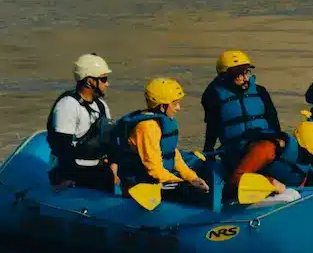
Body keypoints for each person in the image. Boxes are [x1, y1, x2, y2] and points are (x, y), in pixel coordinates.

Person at [110, 77, 211, 203]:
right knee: (190, 192)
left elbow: (173, 155)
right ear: (162, 106)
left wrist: (192, 178)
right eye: (175, 103)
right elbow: (153, 169)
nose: (178, 108)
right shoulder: (147, 127)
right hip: (141, 181)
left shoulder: (162, 122)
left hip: (159, 177)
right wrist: (181, 183)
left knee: (199, 178)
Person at [46, 53, 115, 191]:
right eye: (103, 79)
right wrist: (66, 178)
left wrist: (114, 166)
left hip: (96, 168)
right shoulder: (68, 105)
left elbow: (109, 139)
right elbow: (62, 146)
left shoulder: (101, 105)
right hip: (72, 171)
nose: (107, 83)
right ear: (90, 81)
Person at [201, 50, 281, 162]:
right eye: (239, 75)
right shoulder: (213, 95)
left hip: (265, 144)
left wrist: (278, 141)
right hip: (236, 150)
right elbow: (212, 127)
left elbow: (273, 120)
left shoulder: (260, 91)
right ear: (225, 77)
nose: (245, 79)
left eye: (246, 72)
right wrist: (208, 151)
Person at [226, 120, 313, 203]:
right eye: (308, 155)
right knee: (291, 196)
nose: (309, 160)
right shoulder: (266, 149)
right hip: (244, 197)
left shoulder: (303, 160)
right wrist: (271, 182)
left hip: (283, 194)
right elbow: (236, 178)